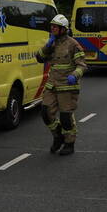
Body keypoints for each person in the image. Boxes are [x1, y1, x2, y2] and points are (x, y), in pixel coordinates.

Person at [35, 14, 86, 156]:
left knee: (65, 118)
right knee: (45, 113)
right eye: (51, 26)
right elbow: (39, 58)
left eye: (55, 27)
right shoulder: (51, 43)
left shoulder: (73, 44)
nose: (52, 29)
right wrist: (47, 46)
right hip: (52, 85)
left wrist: (74, 75)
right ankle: (58, 136)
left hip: (67, 87)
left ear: (63, 29)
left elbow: (82, 65)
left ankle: (69, 143)